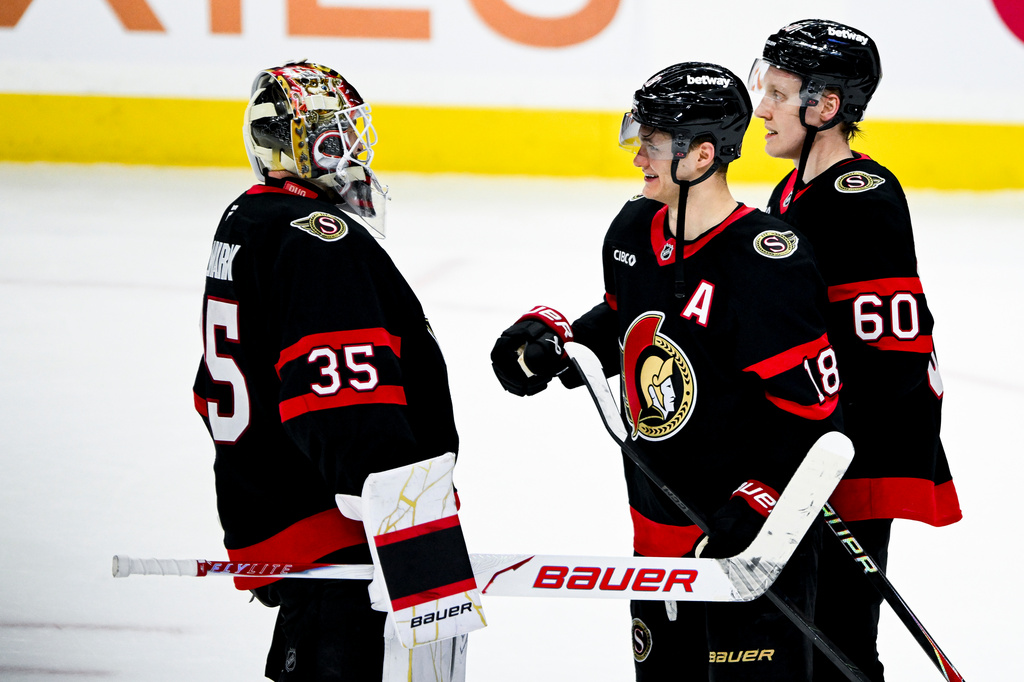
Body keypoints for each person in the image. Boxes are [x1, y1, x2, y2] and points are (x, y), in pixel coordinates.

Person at [491, 62, 843, 682]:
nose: (638, 159)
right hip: (655, 531)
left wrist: (759, 506)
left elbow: (813, 412)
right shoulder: (633, 229)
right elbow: (630, 317)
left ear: (702, 155)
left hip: (750, 545)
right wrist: (560, 340)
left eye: (652, 145)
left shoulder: (766, 263)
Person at [192, 60, 465, 681]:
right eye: (331, 135)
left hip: (282, 507)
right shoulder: (318, 240)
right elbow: (342, 398)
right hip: (344, 534)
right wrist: (407, 525)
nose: (352, 148)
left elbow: (212, 388)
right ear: (288, 148)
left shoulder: (249, 218)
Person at [748, 19, 962, 681]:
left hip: (852, 449)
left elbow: (889, 348)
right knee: (806, 636)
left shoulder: (860, 197)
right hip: (819, 442)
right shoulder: (793, 190)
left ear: (826, 106)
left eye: (779, 94)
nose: (762, 109)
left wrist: (825, 444)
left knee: (842, 643)